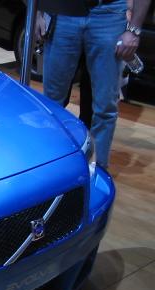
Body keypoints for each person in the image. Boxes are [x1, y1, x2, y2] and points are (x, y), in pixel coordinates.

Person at [34, 0, 152, 169]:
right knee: (51, 104)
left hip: (109, 13)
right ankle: (51, 167)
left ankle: (98, 172)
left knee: (105, 108)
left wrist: (134, 30)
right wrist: (37, 13)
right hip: (62, 11)